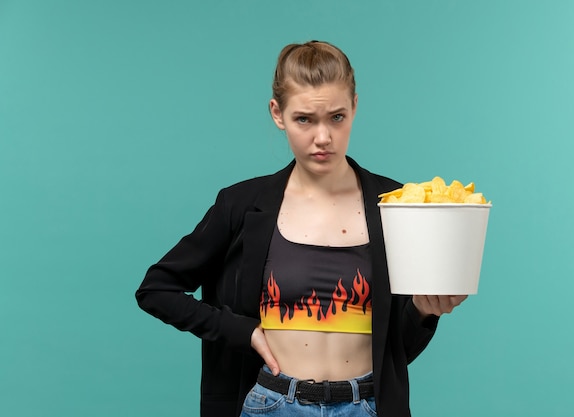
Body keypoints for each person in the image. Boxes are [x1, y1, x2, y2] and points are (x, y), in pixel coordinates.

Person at [136, 40, 467, 417]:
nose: (322, 138)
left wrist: (425, 312)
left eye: (337, 117)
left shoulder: (395, 204)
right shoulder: (241, 204)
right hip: (273, 404)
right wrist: (239, 330)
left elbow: (398, 350)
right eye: (304, 119)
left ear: (355, 106)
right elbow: (155, 289)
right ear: (278, 114)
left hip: (369, 406)